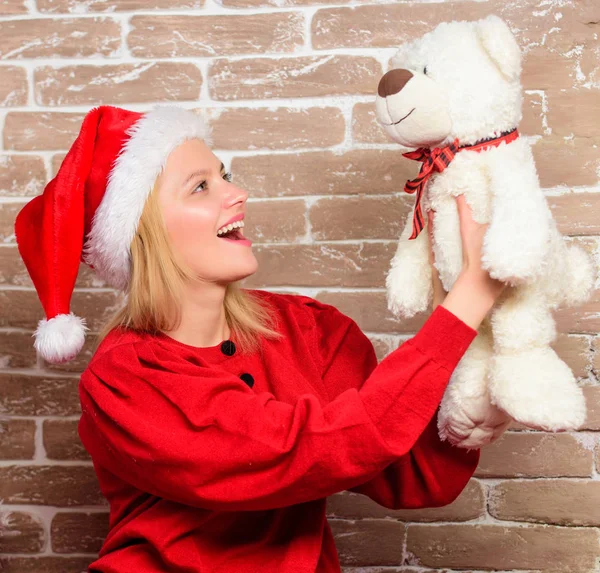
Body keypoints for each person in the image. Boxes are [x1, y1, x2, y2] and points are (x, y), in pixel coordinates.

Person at [14, 104, 505, 572]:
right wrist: (463, 305)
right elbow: (296, 451)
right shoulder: (125, 378)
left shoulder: (308, 329)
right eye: (200, 187)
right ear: (142, 234)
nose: (236, 193)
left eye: (224, 175)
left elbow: (416, 475)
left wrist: (472, 365)